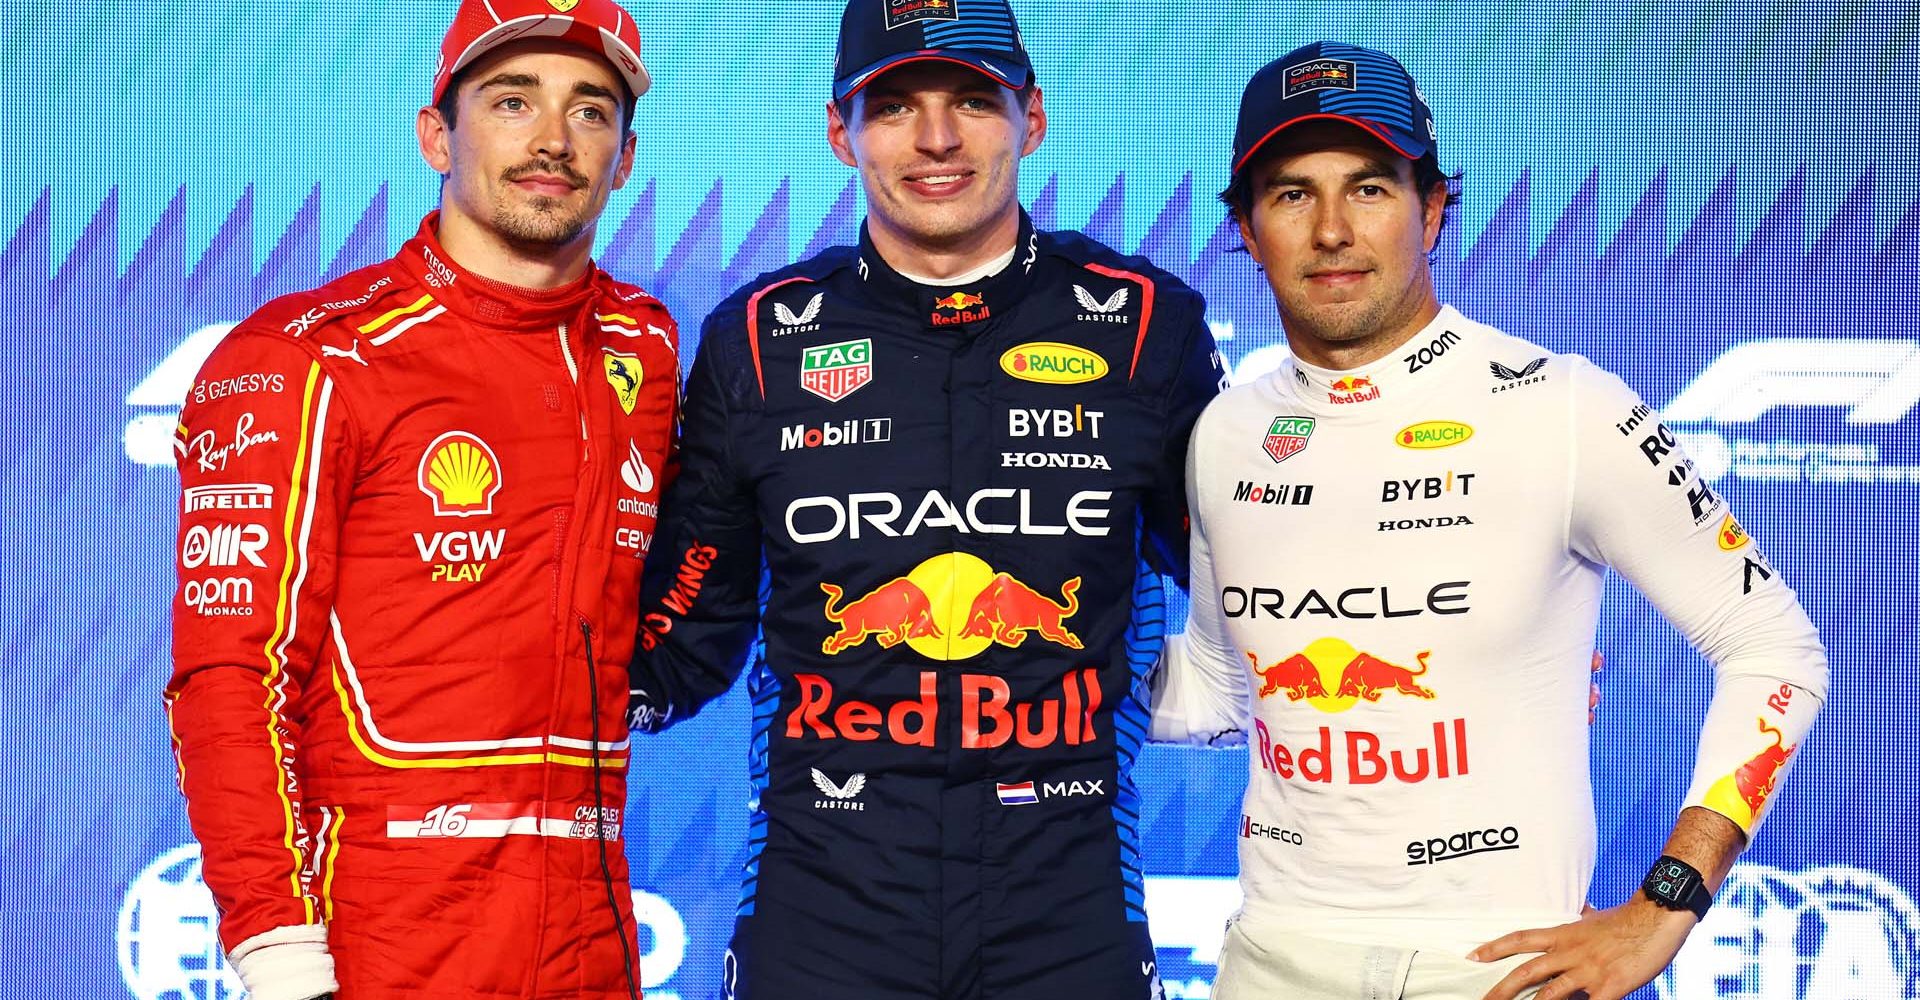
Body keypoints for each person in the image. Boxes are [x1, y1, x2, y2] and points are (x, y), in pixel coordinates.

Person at [1150, 40, 1829, 1000]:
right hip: (1269, 962)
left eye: (1371, 187)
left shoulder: (1563, 406)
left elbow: (1775, 648)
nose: (1333, 229)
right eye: (1293, 193)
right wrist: (1029, 668)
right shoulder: (1227, 432)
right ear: (1249, 230)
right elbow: (1222, 693)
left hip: (1503, 971)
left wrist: (1668, 900)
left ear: (1431, 210)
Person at [623, 0, 1223, 996]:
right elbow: (691, 629)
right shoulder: (761, 339)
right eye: (894, 105)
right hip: (823, 907)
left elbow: (1253, 575)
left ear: (1031, 118)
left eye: (973, 102)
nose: (936, 139)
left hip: (1066, 911)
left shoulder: (1145, 323)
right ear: (838, 130)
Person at [163, 2, 676, 997]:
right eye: (513, 101)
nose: (552, 142)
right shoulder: (306, 357)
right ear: (437, 135)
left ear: (623, 156)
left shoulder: (641, 347)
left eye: (590, 111)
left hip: (592, 938)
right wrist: (275, 946)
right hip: (380, 938)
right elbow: (230, 671)